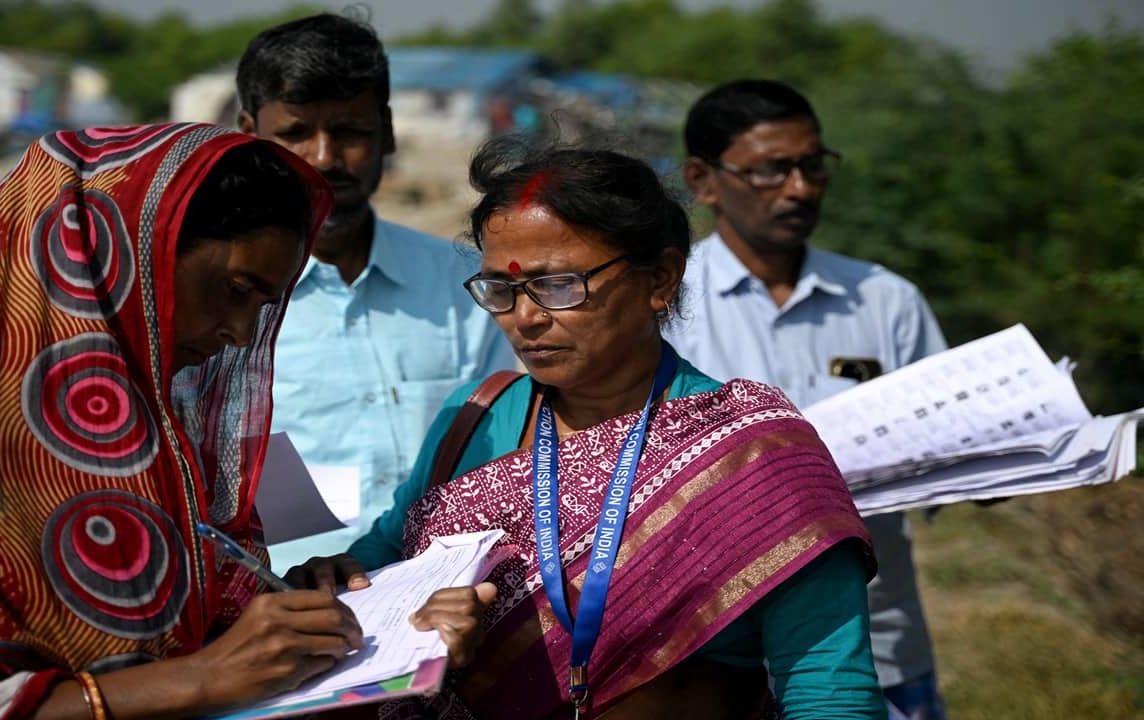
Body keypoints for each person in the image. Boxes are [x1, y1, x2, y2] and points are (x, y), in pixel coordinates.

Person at [0, 124, 488, 719]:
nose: (240, 333)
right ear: (128, 252)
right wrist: (192, 681)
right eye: (234, 288)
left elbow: (204, 612)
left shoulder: (168, 415)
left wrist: (283, 600)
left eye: (262, 306)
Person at [305, 137, 886, 719]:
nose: (525, 317)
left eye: (558, 285)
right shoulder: (476, 418)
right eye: (500, 290)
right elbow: (384, 562)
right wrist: (352, 584)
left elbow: (827, 688)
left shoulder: (750, 450)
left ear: (660, 278)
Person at [667, 79, 949, 720]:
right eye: (771, 171)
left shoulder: (885, 299)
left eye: (812, 166)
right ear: (703, 181)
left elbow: (955, 452)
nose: (799, 188)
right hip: (712, 660)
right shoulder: (665, 306)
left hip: (881, 649)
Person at [235, 14, 516, 568]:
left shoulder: (465, 282)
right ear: (250, 136)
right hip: (295, 595)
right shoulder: (229, 303)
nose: (323, 157)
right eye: (294, 134)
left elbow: (506, 431)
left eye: (350, 132)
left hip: (456, 583)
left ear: (386, 131)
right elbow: (239, 463)